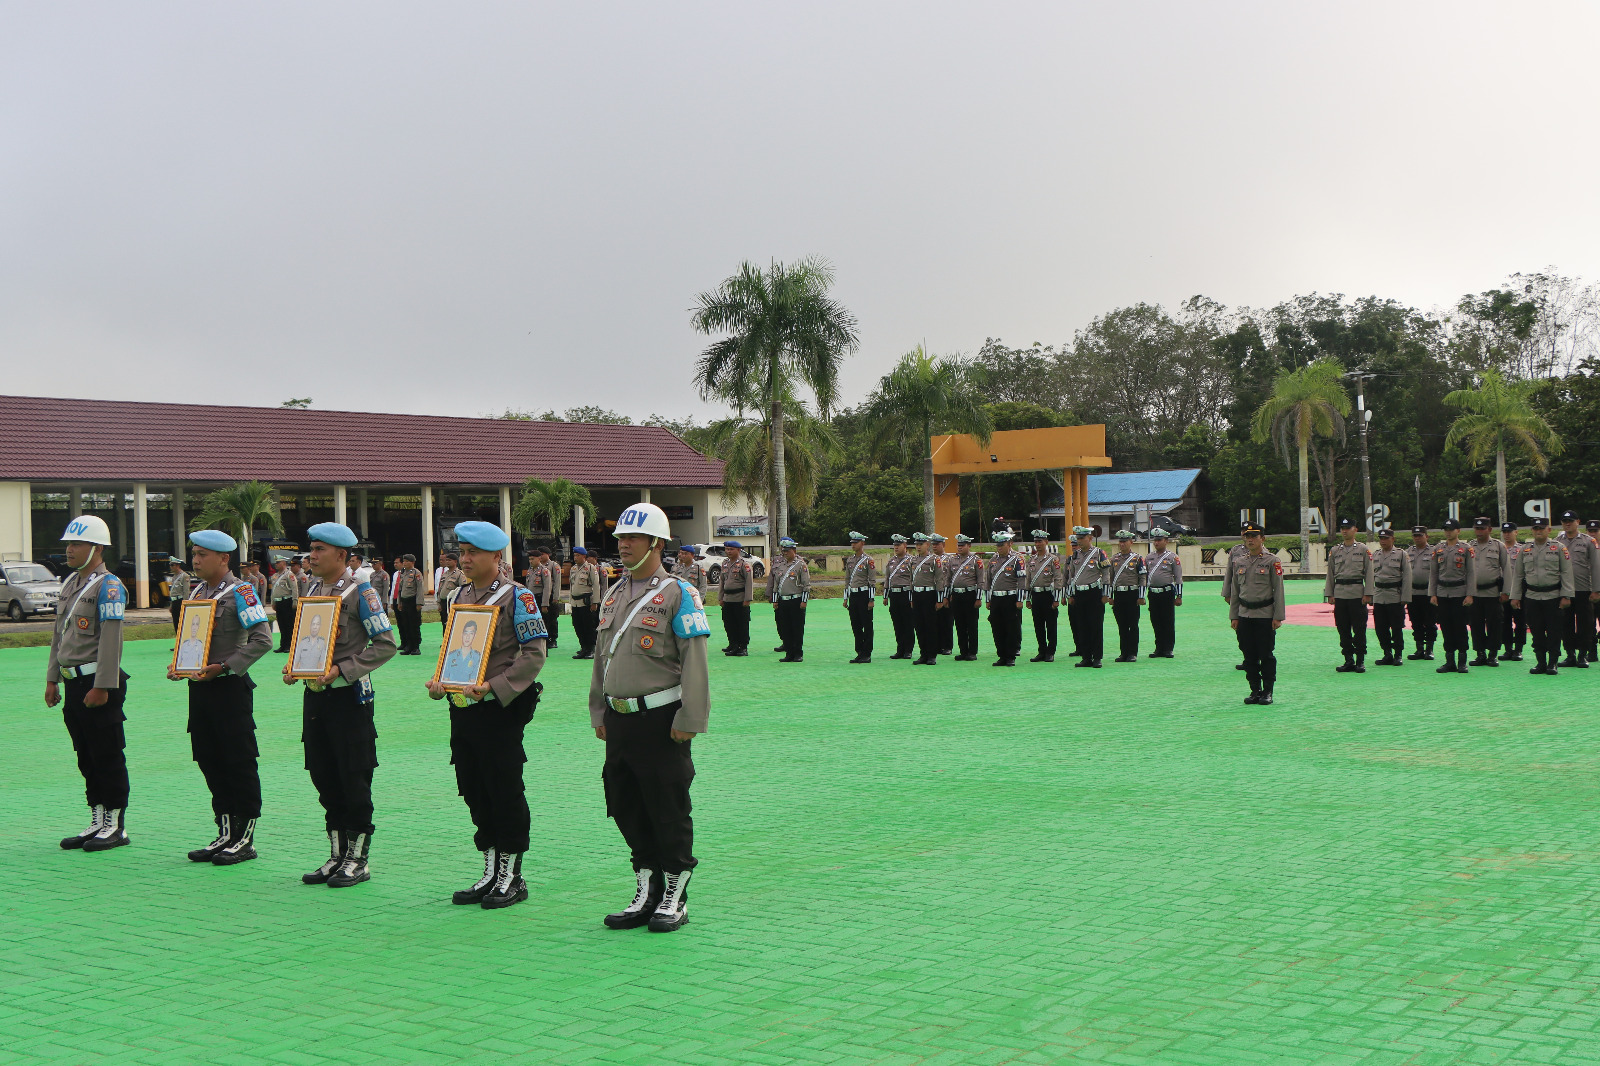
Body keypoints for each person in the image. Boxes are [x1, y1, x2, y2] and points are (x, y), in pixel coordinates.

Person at [589, 502, 709, 932]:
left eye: (632, 538)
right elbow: (602, 658)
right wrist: (597, 709)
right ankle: (647, 886)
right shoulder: (614, 592)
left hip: (663, 720)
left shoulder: (680, 593)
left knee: (667, 806)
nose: (622, 546)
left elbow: (695, 661)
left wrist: (691, 718)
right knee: (624, 803)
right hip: (620, 719)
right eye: (620, 538)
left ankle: (675, 893)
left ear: (656, 544)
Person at [426, 521, 547, 910]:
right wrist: (440, 679)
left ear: (497, 556)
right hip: (462, 708)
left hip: (499, 708)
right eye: (461, 553)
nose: (465, 560)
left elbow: (534, 654)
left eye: (472, 553)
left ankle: (512, 873)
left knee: (503, 786)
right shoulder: (456, 596)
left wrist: (495, 686)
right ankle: (491, 867)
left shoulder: (518, 597)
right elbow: (452, 648)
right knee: (474, 786)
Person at [283, 523, 397, 888]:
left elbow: (385, 644)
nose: (311, 556)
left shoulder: (362, 592)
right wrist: (294, 664)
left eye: (318, 549)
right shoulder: (312, 587)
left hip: (349, 697)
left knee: (353, 775)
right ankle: (336, 854)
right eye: (310, 549)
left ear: (342, 556)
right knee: (323, 774)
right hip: (315, 695)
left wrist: (342, 670)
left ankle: (358, 859)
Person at [169, 529, 273, 865]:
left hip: (229, 688)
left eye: (202, 554)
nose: (195, 560)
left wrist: (226, 666)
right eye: (194, 554)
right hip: (200, 688)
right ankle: (225, 830)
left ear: (224, 558)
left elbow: (262, 640)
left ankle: (245, 838)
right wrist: (180, 665)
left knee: (237, 761)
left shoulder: (241, 591)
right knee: (209, 758)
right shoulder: (198, 590)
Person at [46, 515, 132, 852]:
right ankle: (96, 818)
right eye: (67, 544)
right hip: (72, 683)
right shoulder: (71, 583)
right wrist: (52, 679)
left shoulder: (109, 586)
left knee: (107, 753)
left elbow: (112, 641)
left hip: (98, 683)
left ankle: (115, 825)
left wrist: (103, 685)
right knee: (85, 754)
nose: (68, 549)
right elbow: (59, 636)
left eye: (76, 544)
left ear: (96, 548)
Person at [1509, 516, 1573, 675]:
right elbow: (1518, 575)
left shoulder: (1558, 548)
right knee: (1536, 631)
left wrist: (1566, 595)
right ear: (1532, 530)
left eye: (1542, 528)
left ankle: (1553, 663)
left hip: (1553, 595)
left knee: (1554, 631)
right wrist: (1515, 596)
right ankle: (1541, 662)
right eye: (1535, 528)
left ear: (1548, 530)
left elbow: (1566, 572)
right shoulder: (1525, 549)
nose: (1538, 531)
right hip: (1532, 596)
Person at [1230, 523, 1285, 705]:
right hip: (1245, 615)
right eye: (1247, 536)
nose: (1250, 540)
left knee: (1266, 654)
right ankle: (1255, 690)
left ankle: (1268, 691)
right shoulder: (1240, 562)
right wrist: (1234, 616)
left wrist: (1278, 616)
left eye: (1254, 536)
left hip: (1265, 615)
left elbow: (1278, 590)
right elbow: (1235, 591)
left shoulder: (1272, 561)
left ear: (1263, 538)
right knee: (1248, 655)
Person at [1324, 518, 1374, 673]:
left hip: (1357, 593)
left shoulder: (1363, 549)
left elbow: (1369, 573)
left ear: (1355, 530)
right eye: (1342, 528)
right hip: (1340, 594)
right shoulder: (1335, 551)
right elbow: (1330, 574)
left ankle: (1360, 660)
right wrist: (1329, 594)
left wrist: (1368, 593)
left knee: (1359, 629)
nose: (1344, 531)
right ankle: (1348, 660)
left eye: (1348, 528)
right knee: (1343, 628)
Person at [1429, 519, 1476, 674]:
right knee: (1446, 627)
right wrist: (1433, 593)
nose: (1448, 532)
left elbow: (1471, 573)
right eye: (1446, 529)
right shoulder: (1438, 549)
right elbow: (1434, 573)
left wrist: (1470, 594)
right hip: (1443, 593)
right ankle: (1449, 661)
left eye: (1451, 529)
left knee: (1460, 627)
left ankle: (1462, 661)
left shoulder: (1466, 549)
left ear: (1458, 531)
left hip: (1459, 593)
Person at [1464, 515, 1510, 667]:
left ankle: (1492, 654)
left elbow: (1507, 569)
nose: (1479, 531)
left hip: (1492, 592)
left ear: (1489, 529)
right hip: (1475, 593)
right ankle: (1480, 653)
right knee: (1475, 624)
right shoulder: (1469, 546)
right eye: (1477, 528)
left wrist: (1505, 591)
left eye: (1482, 528)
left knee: (1494, 624)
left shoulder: (1498, 546)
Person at [1555, 510, 1598, 668]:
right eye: (1565, 521)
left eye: (1571, 521)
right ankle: (1570, 654)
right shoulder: (1557, 541)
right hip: (1564, 590)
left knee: (1585, 623)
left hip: (1583, 589)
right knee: (1565, 623)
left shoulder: (1589, 541)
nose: (1567, 524)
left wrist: (1596, 590)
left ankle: (1583, 655)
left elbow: (1595, 567)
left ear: (1578, 522)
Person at [1066, 526, 1109, 668]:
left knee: (1095, 626)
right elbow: (1071, 576)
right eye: (1078, 538)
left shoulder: (1099, 553)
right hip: (1079, 594)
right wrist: (1070, 594)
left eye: (1082, 538)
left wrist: (1105, 593)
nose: (1079, 541)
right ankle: (1086, 657)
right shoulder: (1075, 555)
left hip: (1094, 594)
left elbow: (1106, 574)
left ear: (1090, 538)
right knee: (1082, 626)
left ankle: (1097, 658)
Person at [1368, 527, 1412, 666]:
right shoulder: (1375, 555)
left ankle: (1398, 654)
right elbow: (1369, 576)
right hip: (1380, 595)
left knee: (1396, 627)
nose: (1383, 541)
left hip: (1395, 595)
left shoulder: (1401, 554)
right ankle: (1387, 653)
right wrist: (1370, 595)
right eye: (1381, 538)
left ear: (1392, 539)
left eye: (1386, 538)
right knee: (1380, 627)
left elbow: (1407, 577)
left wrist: (1405, 597)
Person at [985, 531, 1027, 666]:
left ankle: (1010, 656)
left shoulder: (1017, 559)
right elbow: (988, 581)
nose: (999, 547)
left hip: (1010, 597)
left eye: (1002, 545)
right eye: (997, 545)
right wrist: (988, 599)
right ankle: (1001, 655)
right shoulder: (993, 560)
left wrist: (1020, 599)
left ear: (1009, 544)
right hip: (996, 598)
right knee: (997, 627)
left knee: (1011, 628)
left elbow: (1021, 580)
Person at [767, 538, 810, 663]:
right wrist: (775, 601)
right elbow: (776, 585)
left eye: (787, 550)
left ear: (794, 550)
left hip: (796, 600)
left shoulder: (801, 565)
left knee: (796, 628)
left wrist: (804, 601)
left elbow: (806, 585)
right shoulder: (781, 565)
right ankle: (789, 653)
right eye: (783, 550)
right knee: (785, 628)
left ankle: (798, 654)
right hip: (783, 601)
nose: (785, 553)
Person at [1106, 531, 1147, 663]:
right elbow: (1110, 578)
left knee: (1133, 625)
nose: (1122, 544)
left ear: (1131, 542)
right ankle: (1123, 652)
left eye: (1125, 541)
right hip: (1119, 595)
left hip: (1132, 594)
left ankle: (1132, 653)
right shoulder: (1114, 559)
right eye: (1120, 541)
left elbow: (1142, 578)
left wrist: (1141, 596)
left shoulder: (1138, 558)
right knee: (1122, 625)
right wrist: (1110, 595)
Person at [944, 534, 984, 661]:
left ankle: (972, 652)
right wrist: (946, 596)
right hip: (956, 595)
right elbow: (948, 580)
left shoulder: (976, 560)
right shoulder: (952, 560)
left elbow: (980, 581)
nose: (959, 547)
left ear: (969, 546)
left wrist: (978, 598)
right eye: (958, 545)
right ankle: (963, 651)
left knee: (971, 624)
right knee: (960, 624)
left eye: (962, 545)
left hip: (970, 595)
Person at [1025, 531, 1063, 662]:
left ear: (1046, 542)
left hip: (1048, 595)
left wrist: (1056, 599)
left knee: (1051, 625)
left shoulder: (1053, 559)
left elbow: (1058, 579)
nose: (1038, 544)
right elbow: (1028, 580)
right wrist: (1027, 598)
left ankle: (1050, 652)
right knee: (1038, 625)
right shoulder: (1031, 560)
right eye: (1036, 542)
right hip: (1036, 595)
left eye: (1040, 541)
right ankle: (1041, 651)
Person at [1143, 530, 1183, 658]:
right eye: (1155, 540)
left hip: (1167, 593)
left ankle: (1168, 648)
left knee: (1167, 621)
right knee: (1156, 621)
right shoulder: (1149, 557)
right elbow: (1144, 577)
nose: (1156, 542)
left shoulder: (1172, 557)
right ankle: (1159, 648)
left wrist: (1179, 596)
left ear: (1166, 541)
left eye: (1159, 540)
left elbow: (1178, 577)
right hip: (1153, 593)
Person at [842, 532, 877, 663]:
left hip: (864, 594)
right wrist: (846, 598)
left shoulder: (869, 560)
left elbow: (872, 581)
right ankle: (859, 651)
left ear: (862, 543)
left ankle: (867, 653)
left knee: (867, 625)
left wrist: (871, 599)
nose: (853, 545)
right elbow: (847, 580)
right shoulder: (850, 560)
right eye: (852, 543)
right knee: (855, 625)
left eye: (855, 543)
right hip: (853, 595)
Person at [909, 533, 943, 665]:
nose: (918, 547)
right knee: (919, 626)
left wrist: (940, 599)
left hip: (929, 594)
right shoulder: (913, 560)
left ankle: (932, 655)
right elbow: (911, 580)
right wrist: (911, 597)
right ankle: (923, 654)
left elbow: (940, 580)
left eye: (920, 544)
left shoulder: (934, 560)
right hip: (917, 595)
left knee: (930, 626)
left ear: (927, 545)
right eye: (916, 544)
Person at [1221, 530, 1253, 670]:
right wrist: (1227, 592)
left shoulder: (1266, 554)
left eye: (1252, 535)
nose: (1248, 538)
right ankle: (1247, 657)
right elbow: (1230, 573)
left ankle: (1255, 659)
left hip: (1255, 597)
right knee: (1240, 630)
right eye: (1245, 534)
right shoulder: (1235, 551)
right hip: (1238, 596)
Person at [717, 541, 755, 656]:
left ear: (738, 550)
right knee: (729, 623)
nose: (728, 551)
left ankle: (742, 647)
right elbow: (722, 581)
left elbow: (749, 582)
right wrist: (720, 597)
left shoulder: (744, 564)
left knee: (742, 624)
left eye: (731, 549)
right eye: (727, 549)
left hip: (740, 599)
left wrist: (747, 599)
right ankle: (733, 644)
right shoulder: (725, 563)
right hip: (728, 598)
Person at [1405, 526, 1437, 660]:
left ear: (1426, 536)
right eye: (1415, 536)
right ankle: (1419, 649)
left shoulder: (1434, 551)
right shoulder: (1408, 552)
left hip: (1428, 592)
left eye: (1420, 535)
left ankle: (1429, 650)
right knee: (1415, 621)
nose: (1417, 538)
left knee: (1430, 622)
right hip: (1413, 592)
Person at [882, 534, 916, 659]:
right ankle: (900, 649)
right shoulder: (891, 561)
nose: (896, 547)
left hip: (906, 593)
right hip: (894, 594)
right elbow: (887, 579)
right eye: (894, 545)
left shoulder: (912, 560)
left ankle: (908, 650)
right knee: (897, 623)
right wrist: (886, 596)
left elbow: (913, 580)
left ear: (905, 546)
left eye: (898, 545)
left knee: (908, 623)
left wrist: (913, 597)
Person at [567, 546, 604, 659]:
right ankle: (583, 648)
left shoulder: (590, 568)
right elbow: (571, 586)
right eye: (574, 555)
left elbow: (596, 586)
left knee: (588, 626)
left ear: (584, 556)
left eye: (578, 555)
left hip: (586, 602)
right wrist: (570, 601)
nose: (575, 558)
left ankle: (591, 649)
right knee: (578, 625)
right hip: (575, 602)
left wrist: (595, 602)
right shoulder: (573, 569)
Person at [1499, 523, 1527, 661]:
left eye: (1509, 531)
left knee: (1520, 621)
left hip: (1518, 590)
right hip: (1503, 590)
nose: (1506, 534)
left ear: (1516, 532)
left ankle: (1518, 649)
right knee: (1505, 621)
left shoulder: (1521, 549)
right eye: (1504, 531)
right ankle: (1508, 649)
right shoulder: (1499, 549)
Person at [440, 620, 485, 685]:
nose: (467, 637)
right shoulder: (451, 655)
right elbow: (445, 678)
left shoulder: (478, 657)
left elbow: (473, 681)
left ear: (474, 636)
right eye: (466, 633)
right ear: (462, 634)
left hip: (469, 693)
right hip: (451, 691)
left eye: (471, 634)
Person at [394, 554, 423, 655]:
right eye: (404, 561)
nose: (405, 563)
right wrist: (399, 602)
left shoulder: (416, 573)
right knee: (405, 624)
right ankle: (408, 646)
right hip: (404, 601)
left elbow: (420, 589)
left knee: (413, 625)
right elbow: (400, 589)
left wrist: (419, 603)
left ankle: (416, 647)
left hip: (412, 601)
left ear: (412, 562)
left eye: (407, 561)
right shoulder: (403, 574)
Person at [929, 533, 954, 655]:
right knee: (934, 621)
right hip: (932, 592)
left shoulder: (949, 559)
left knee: (946, 620)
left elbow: (951, 578)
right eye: (933, 544)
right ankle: (937, 645)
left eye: (937, 544)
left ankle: (947, 646)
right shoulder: (930, 559)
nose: (934, 546)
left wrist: (948, 595)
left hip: (945, 592)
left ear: (943, 544)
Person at [270, 558, 300, 653]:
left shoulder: (289, 575)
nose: (276, 564)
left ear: (284, 563)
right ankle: (282, 645)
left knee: (289, 624)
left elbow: (294, 588)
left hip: (287, 601)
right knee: (281, 624)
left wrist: (295, 601)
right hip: (279, 602)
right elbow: (273, 591)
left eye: (278, 563)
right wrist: (273, 602)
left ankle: (289, 645)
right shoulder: (275, 576)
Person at [434, 553, 465, 640]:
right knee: (444, 623)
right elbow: (440, 589)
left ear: (455, 562)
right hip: (444, 602)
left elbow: (462, 590)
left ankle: (453, 641)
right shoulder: (445, 574)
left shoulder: (459, 574)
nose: (447, 562)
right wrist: (439, 602)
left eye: (449, 560)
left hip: (453, 603)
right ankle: (445, 641)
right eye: (446, 560)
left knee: (452, 623)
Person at [540, 546, 564, 650]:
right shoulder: (538, 566)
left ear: (548, 554)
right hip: (541, 595)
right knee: (543, 618)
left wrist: (556, 597)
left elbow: (557, 582)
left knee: (552, 618)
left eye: (542, 554)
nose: (540, 556)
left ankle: (553, 639)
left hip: (551, 596)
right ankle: (544, 638)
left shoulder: (554, 565)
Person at [167, 558, 191, 632]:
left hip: (180, 601)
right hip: (174, 601)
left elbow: (186, 591)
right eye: (170, 565)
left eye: (172, 565)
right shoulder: (174, 577)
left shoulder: (184, 576)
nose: (171, 567)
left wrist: (185, 604)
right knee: (176, 623)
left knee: (181, 623)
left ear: (178, 565)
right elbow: (173, 592)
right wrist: (171, 604)